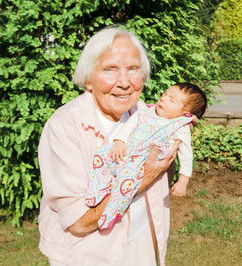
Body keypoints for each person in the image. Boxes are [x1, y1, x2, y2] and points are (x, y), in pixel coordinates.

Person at [38, 26, 183, 266]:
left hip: (140, 240)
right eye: (110, 69)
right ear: (88, 80)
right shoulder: (65, 126)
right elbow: (79, 222)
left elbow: (166, 168)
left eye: (133, 69)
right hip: (86, 253)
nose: (125, 82)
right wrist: (143, 179)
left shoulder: (148, 117)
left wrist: (182, 126)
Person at [85, 83, 207, 230]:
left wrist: (183, 181)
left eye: (171, 100)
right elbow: (131, 123)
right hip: (125, 151)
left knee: (126, 185)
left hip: (140, 163)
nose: (164, 99)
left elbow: (186, 155)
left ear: (185, 114)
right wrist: (119, 140)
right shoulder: (148, 111)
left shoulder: (179, 127)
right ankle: (99, 188)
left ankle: (112, 212)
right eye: (165, 94)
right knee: (100, 156)